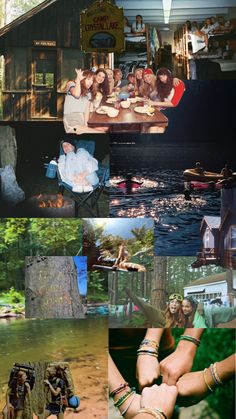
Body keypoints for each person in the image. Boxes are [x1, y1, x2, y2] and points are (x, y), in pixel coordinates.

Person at [63, 68, 106, 135]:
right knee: (101, 133)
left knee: (105, 128)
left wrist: (86, 124)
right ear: (82, 79)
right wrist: (78, 81)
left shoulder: (88, 93)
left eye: (92, 80)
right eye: (88, 79)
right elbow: (76, 95)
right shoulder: (71, 84)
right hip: (72, 122)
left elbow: (87, 110)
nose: (90, 82)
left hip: (82, 120)